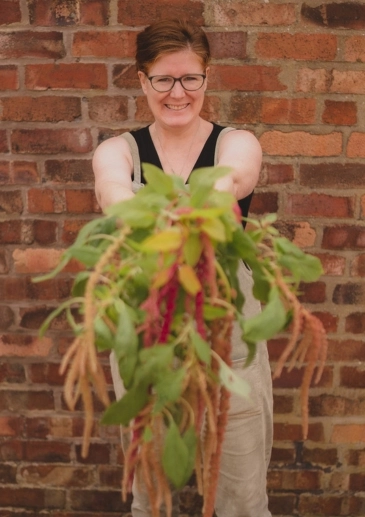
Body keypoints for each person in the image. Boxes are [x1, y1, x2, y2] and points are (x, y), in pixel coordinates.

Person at [93, 19, 273, 517]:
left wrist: (203, 203)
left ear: (206, 78)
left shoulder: (236, 142)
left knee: (240, 497)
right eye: (164, 79)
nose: (178, 92)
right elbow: (114, 193)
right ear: (142, 80)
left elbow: (233, 179)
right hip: (148, 347)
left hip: (227, 346)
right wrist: (137, 207)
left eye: (190, 78)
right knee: (153, 495)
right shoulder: (119, 151)